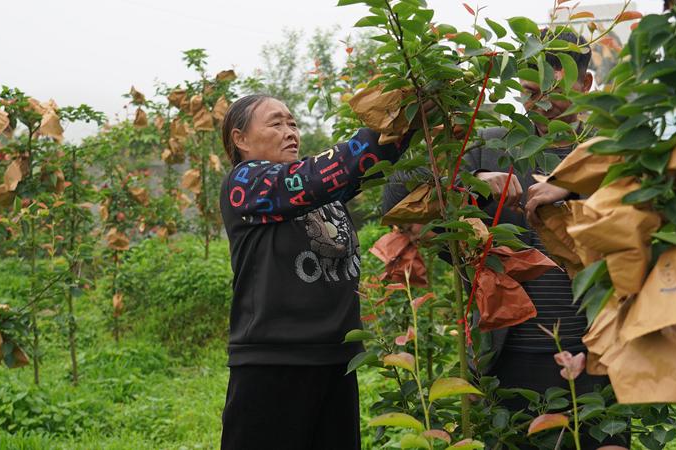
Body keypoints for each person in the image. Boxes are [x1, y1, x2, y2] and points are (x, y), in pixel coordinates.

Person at [383, 31, 628, 449]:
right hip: (506, 359)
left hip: (597, 355)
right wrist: (471, 180)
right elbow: (395, 192)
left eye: (553, 89)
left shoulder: (610, 153)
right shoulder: (493, 146)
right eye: (531, 91)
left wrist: (571, 185)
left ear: (586, 85)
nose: (540, 102)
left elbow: (649, 228)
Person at [218, 94, 415, 450]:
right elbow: (319, 174)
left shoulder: (319, 191)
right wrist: (387, 116)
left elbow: (366, 163)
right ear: (241, 139)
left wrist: (413, 111)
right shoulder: (245, 183)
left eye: (293, 123)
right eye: (276, 123)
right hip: (274, 363)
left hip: (336, 359)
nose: (290, 131)